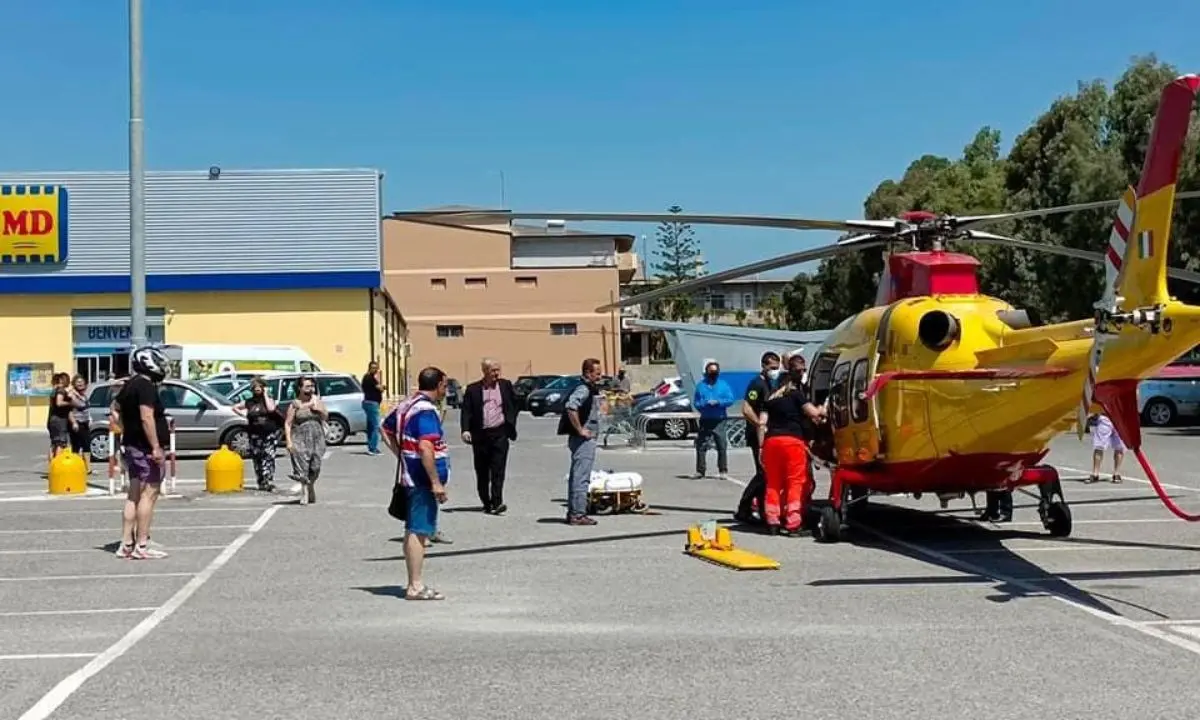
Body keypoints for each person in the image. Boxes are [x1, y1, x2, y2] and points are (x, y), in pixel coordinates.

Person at [382, 366, 450, 600]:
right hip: (421, 479)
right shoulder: (425, 411)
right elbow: (425, 446)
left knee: (414, 528)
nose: (446, 389)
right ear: (439, 385)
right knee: (418, 530)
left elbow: (385, 427)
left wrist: (400, 453)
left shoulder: (406, 405)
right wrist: (436, 482)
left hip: (410, 473)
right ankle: (415, 586)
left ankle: (414, 583)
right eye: (445, 384)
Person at [114, 346, 172, 560]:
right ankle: (142, 545)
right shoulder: (145, 386)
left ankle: (126, 543)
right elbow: (146, 417)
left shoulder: (129, 385)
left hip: (131, 445)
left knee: (134, 494)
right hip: (145, 448)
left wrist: (124, 431)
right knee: (150, 493)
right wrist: (155, 446)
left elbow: (114, 409)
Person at [759, 353, 826, 535]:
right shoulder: (796, 395)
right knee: (795, 482)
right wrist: (823, 409)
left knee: (773, 483)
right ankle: (793, 522)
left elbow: (761, 423)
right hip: (792, 442)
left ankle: (772, 520)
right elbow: (813, 414)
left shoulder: (770, 399)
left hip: (771, 443)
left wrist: (760, 447)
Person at [460, 358, 518, 514]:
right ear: (485, 371)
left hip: (499, 433)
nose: (496, 373)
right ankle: (486, 502)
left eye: (498, 370)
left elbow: (514, 403)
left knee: (498, 469)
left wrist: (510, 422)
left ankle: (497, 501)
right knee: (482, 471)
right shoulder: (473, 390)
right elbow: (466, 411)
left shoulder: (505, 385)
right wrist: (465, 430)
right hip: (480, 435)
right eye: (493, 370)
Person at [735, 351, 781, 524]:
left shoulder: (771, 383)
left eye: (777, 367)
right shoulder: (757, 384)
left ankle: (761, 509)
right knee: (763, 473)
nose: (775, 371)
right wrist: (760, 425)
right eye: (772, 367)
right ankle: (744, 508)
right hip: (757, 435)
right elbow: (746, 409)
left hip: (767, 435)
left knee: (767, 474)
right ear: (763, 366)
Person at [559, 358, 606, 525]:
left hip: (583, 438)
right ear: (588, 373)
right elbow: (571, 407)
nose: (600, 376)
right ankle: (578, 514)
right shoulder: (583, 389)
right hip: (583, 440)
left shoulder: (590, 388)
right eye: (597, 373)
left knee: (577, 476)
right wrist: (580, 430)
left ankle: (574, 511)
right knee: (581, 477)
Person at [233, 377, 283, 491]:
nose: (257, 390)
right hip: (254, 434)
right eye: (255, 388)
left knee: (269, 457)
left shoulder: (269, 399)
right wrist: (243, 414)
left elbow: (271, 409)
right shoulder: (249, 402)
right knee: (257, 458)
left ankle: (268, 481)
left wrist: (266, 394)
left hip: (269, 433)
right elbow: (234, 407)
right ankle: (261, 481)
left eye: (260, 387)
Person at [284, 375, 327, 505]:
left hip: (317, 437)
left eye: (312, 386)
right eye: (307, 386)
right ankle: (304, 492)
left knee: (315, 466)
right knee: (302, 466)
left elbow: (326, 416)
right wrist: (289, 441)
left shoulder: (316, 400)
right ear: (300, 388)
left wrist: (319, 410)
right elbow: (288, 423)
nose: (311, 389)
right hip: (300, 437)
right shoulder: (295, 404)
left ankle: (311, 485)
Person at [691, 360, 736, 479]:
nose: (713, 374)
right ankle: (700, 470)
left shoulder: (724, 385)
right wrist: (705, 404)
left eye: (715, 372)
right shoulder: (701, 386)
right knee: (701, 445)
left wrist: (719, 402)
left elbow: (730, 399)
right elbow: (696, 402)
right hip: (706, 419)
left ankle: (723, 470)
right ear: (706, 372)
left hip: (719, 419)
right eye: (711, 371)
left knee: (721, 445)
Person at [1088, 412, 1125, 484]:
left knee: (1120, 447)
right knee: (1099, 446)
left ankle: (1116, 473)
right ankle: (1095, 474)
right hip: (1104, 417)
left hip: (1120, 417)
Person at [361, 360, 386, 456]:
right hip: (371, 404)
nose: (375, 370)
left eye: (376, 368)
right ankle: (373, 448)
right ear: (369, 368)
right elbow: (379, 388)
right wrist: (382, 387)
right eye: (373, 368)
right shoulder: (369, 378)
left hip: (369, 403)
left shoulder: (369, 377)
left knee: (371, 426)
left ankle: (371, 447)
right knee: (376, 426)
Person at [66, 375, 91, 465]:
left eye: (82, 381)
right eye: (78, 382)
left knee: (87, 445)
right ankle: (76, 466)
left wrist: (89, 418)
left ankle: (87, 467)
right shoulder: (71, 395)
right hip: (77, 423)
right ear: (74, 384)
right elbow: (69, 411)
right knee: (76, 445)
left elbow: (86, 408)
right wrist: (73, 423)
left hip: (85, 423)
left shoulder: (84, 395)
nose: (80, 383)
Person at [47, 373, 73, 458]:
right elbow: (59, 403)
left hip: (52, 418)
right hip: (60, 419)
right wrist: (70, 403)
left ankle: (51, 465)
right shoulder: (61, 390)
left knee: (54, 443)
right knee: (60, 443)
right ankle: (57, 464)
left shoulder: (53, 391)